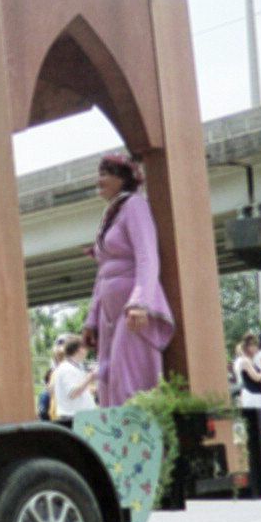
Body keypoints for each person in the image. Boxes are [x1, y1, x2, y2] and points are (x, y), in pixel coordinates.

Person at [81, 154, 174, 409]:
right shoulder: (111, 213)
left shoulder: (135, 205)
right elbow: (102, 273)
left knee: (129, 377)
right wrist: (91, 320)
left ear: (122, 178)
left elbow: (147, 256)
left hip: (130, 308)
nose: (98, 180)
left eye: (104, 174)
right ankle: (115, 434)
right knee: (107, 375)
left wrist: (140, 303)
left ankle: (139, 433)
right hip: (108, 310)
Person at [50, 335, 97, 424]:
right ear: (79, 349)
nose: (87, 351)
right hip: (73, 419)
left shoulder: (74, 367)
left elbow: (80, 390)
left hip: (79, 418)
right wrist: (90, 377)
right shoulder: (66, 369)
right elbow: (73, 393)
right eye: (86, 348)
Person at [233, 333, 261, 415]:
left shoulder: (253, 361)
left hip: (259, 394)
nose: (255, 347)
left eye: (256, 344)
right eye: (252, 345)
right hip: (251, 395)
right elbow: (257, 377)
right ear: (246, 347)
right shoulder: (245, 361)